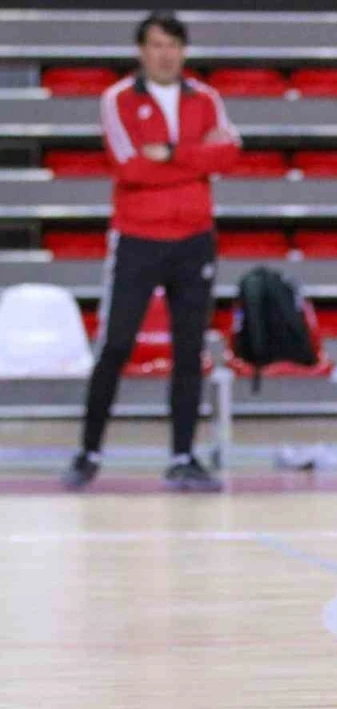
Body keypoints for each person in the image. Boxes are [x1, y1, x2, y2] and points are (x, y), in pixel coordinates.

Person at [64, 11, 240, 491]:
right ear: (141, 51)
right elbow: (129, 167)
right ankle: (88, 452)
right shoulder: (117, 99)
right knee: (116, 344)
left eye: (173, 45)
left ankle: (183, 456)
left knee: (189, 350)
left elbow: (229, 153)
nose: (165, 54)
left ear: (184, 50)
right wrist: (195, 156)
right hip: (138, 238)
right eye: (157, 45)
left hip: (194, 238)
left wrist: (172, 152)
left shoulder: (207, 98)